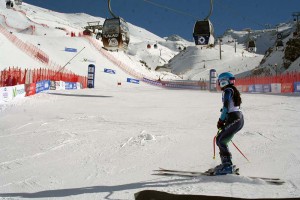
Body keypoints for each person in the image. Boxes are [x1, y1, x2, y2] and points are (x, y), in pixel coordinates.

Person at [213, 72, 244, 175]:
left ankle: (227, 166)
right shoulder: (231, 90)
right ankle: (227, 164)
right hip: (237, 118)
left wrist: (221, 120)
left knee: (221, 141)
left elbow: (226, 108)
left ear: (223, 81)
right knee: (220, 139)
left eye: (219, 81)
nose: (218, 84)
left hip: (234, 118)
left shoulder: (227, 91)